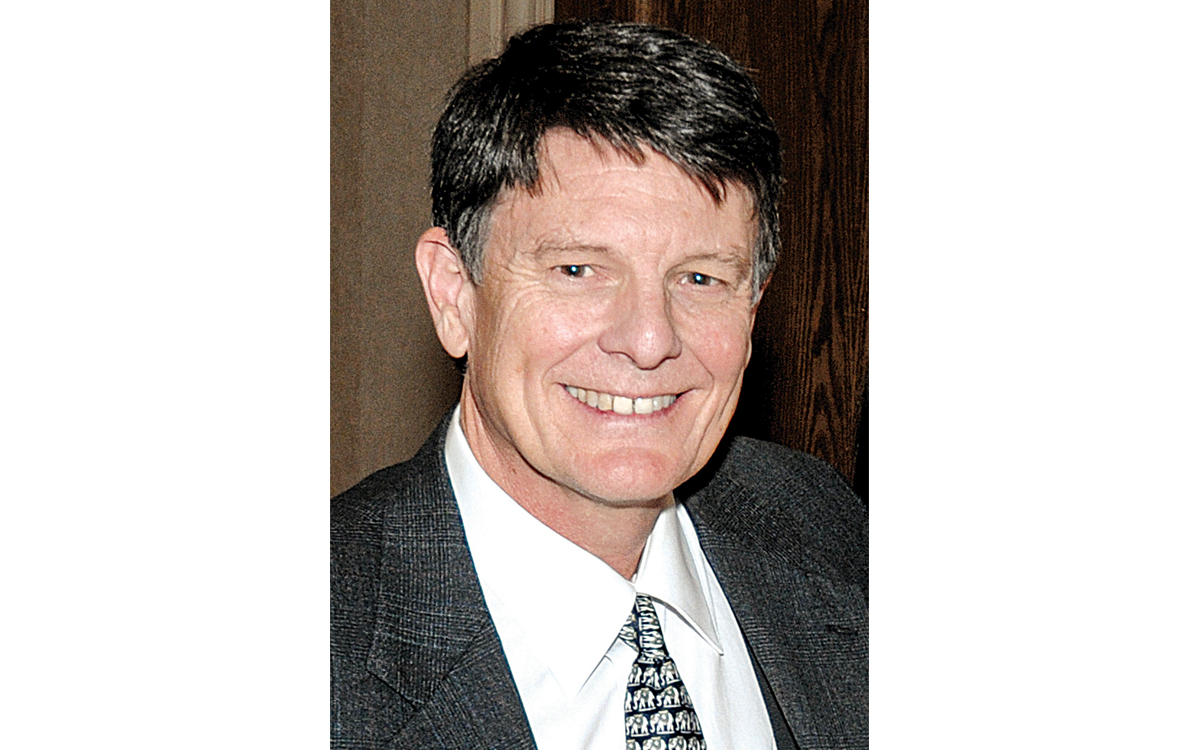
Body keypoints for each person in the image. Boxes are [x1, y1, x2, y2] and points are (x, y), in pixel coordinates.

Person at [331, 20, 866, 750]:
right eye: (578, 269)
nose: (649, 341)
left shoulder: (825, 529)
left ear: (754, 306)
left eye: (700, 278)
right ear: (455, 295)